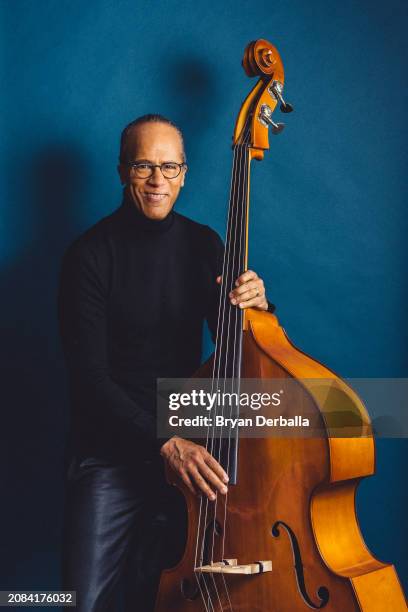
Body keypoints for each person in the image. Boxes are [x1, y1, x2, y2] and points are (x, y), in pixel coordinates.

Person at [58, 114, 274, 611]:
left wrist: (259, 309)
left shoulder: (204, 245)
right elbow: (90, 379)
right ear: (121, 171)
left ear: (185, 173)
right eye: (144, 166)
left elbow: (236, 349)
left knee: (174, 596)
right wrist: (166, 442)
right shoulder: (88, 256)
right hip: (110, 454)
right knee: (77, 599)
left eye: (170, 167)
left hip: (189, 456)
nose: (158, 181)